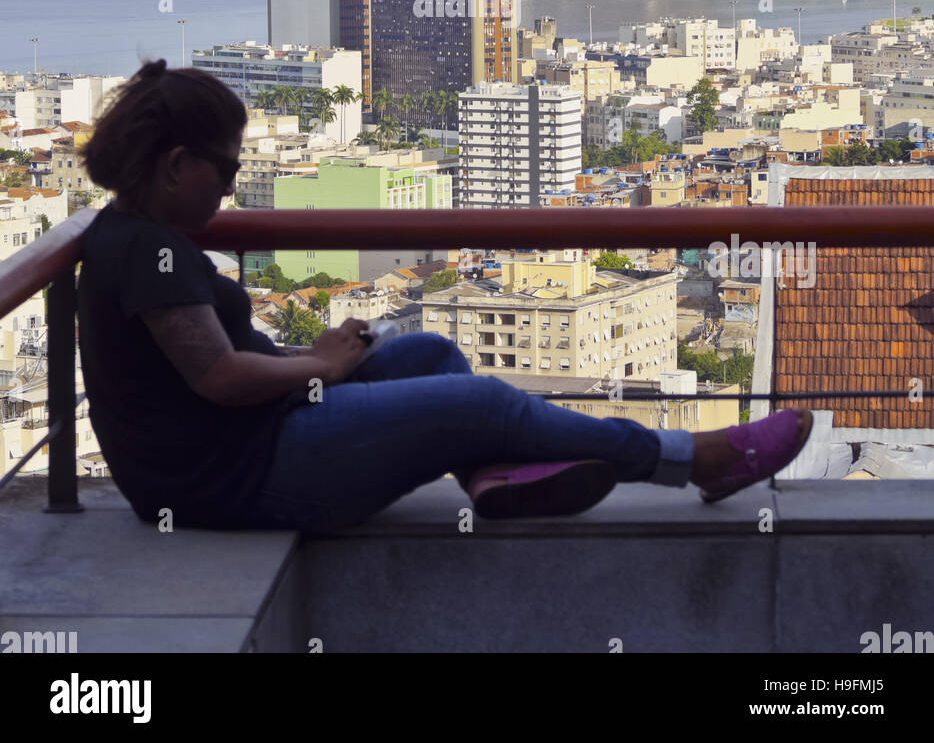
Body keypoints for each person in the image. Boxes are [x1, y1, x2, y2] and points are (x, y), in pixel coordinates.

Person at [76, 60, 812, 533]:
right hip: (237, 479)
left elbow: (215, 365)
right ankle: (691, 460)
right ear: (177, 164)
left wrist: (315, 355)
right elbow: (219, 377)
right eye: (226, 171)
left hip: (232, 455)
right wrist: (323, 367)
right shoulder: (152, 248)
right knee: (481, 403)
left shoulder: (133, 234)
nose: (233, 189)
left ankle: (489, 476)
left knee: (427, 348)